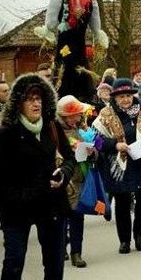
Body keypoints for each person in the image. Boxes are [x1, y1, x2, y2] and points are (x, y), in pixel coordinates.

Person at [0, 73, 76, 280]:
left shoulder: (52, 127)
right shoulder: (6, 134)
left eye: (39, 98)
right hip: (17, 208)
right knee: (14, 263)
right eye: (29, 99)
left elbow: (70, 160)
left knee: (54, 263)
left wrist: (64, 174)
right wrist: (17, 198)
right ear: (18, 104)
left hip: (51, 204)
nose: (35, 104)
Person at [92, 78, 141, 254]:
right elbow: (95, 139)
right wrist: (115, 145)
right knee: (122, 201)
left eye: (128, 95)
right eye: (121, 97)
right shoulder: (106, 113)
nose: (126, 100)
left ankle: (139, 234)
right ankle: (125, 240)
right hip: (119, 164)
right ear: (115, 97)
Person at [56, 95, 96, 268]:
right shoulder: (54, 130)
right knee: (61, 217)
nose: (78, 118)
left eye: (79, 115)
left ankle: (76, 253)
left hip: (80, 179)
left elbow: (95, 149)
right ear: (64, 116)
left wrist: (92, 152)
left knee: (77, 217)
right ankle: (62, 247)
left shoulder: (81, 129)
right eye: (74, 115)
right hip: (63, 180)